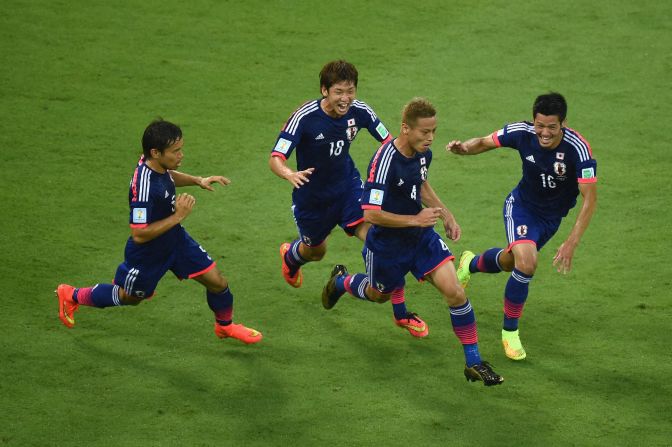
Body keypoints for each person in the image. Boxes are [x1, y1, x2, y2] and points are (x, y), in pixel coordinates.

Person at [322, 98, 504, 386]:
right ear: (406, 128)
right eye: (424, 132)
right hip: (387, 247)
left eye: (434, 131)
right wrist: (414, 220)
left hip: (421, 240)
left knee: (455, 291)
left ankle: (474, 362)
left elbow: (421, 184)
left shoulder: (423, 154)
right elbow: (371, 214)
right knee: (377, 294)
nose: (430, 138)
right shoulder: (383, 161)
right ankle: (342, 282)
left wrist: (447, 215)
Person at [55, 119, 262, 344]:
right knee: (129, 297)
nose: (181, 155)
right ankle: (71, 295)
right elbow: (139, 234)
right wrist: (178, 216)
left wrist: (197, 180)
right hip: (148, 253)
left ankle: (225, 326)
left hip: (175, 240)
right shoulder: (142, 189)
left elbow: (168, 176)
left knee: (218, 282)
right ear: (156, 152)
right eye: (175, 151)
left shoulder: (156, 164)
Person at [446, 92, 597, 361]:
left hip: (550, 220)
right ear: (534, 120)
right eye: (540, 125)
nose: (545, 133)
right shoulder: (522, 132)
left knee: (510, 262)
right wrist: (464, 149)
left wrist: (572, 240)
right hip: (522, 208)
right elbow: (484, 141)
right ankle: (510, 333)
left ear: (563, 123)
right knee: (527, 262)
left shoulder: (578, 149)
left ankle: (470, 264)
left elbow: (590, 198)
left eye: (552, 127)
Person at [269, 60, 392, 289]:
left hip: (347, 187)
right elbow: (276, 156)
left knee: (375, 235)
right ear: (324, 91)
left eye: (350, 91)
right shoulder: (305, 117)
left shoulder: (361, 111)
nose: (345, 98)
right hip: (312, 199)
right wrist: (289, 174)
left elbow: (389, 143)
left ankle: (378, 289)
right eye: (338, 92)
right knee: (316, 252)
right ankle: (290, 257)